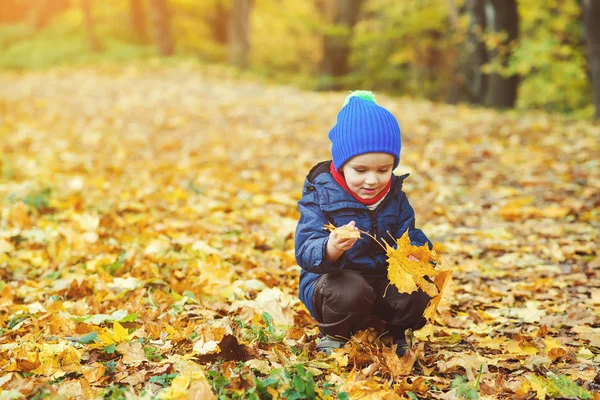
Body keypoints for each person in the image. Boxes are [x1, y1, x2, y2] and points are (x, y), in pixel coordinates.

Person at [294, 90, 432, 356]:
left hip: (382, 280)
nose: (372, 180)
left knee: (418, 283)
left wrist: (414, 253)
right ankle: (336, 333)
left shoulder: (395, 196)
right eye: (361, 170)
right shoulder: (321, 195)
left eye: (383, 170)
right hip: (333, 282)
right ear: (342, 164)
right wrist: (332, 247)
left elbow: (409, 233)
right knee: (349, 289)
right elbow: (305, 250)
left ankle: (399, 330)